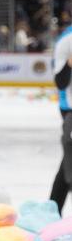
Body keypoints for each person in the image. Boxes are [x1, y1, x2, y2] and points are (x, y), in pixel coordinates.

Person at [48, 21, 72, 212]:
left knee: (67, 164)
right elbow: (61, 82)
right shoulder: (67, 41)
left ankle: (52, 210)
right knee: (69, 166)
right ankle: (53, 210)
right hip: (70, 110)